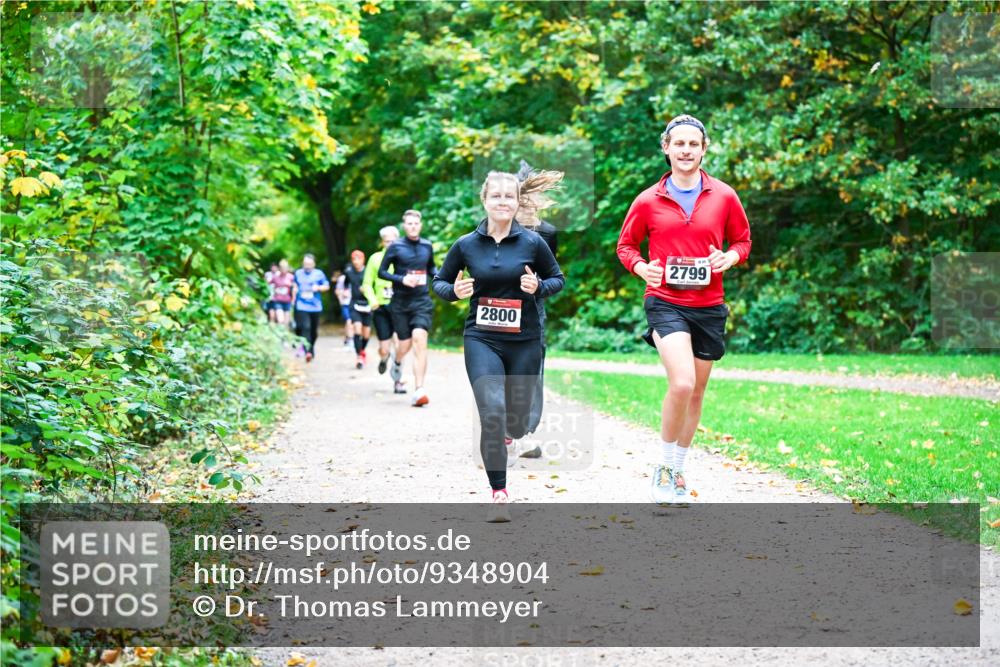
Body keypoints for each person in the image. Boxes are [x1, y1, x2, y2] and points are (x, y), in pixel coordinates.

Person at [616, 114, 752, 506]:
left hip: (708, 305)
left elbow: (742, 241)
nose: (686, 150)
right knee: (682, 383)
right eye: (679, 143)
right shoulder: (648, 200)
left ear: (704, 149)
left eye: (694, 144)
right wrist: (642, 268)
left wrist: (728, 258)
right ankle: (662, 467)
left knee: (696, 392)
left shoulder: (724, 196)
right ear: (667, 148)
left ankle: (677, 470)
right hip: (665, 301)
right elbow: (626, 246)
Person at [433, 171, 564, 522]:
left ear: (518, 202)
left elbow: (557, 279)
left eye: (510, 196)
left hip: (525, 340)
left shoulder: (534, 243)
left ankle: (513, 433)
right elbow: (439, 282)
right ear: (485, 200)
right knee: (491, 412)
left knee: (517, 423)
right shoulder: (466, 245)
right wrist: (453, 291)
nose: (503, 201)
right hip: (482, 338)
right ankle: (499, 493)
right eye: (497, 196)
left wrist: (538, 286)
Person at [512, 160, 563, 460]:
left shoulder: (548, 232)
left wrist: (538, 286)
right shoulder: (497, 229)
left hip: (533, 310)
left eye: (533, 196)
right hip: (498, 309)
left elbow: (552, 277)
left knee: (533, 370)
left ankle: (527, 432)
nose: (529, 203)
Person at [378, 210, 436, 407]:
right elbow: (382, 272)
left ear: (420, 225)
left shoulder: (427, 246)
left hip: (421, 301)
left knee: (420, 338)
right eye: (409, 223)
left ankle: (419, 390)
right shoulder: (395, 246)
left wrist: (442, 278)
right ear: (404, 226)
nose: (413, 226)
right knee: (405, 344)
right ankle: (397, 361)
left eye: (416, 223)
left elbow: (431, 269)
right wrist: (402, 279)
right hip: (400, 303)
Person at [362, 225, 406, 392]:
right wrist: (373, 301)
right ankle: (384, 358)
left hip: (400, 306)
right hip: (381, 307)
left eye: (393, 241)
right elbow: (367, 284)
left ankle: (398, 380)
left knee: (400, 344)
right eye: (387, 241)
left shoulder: (404, 257)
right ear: (382, 242)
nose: (390, 244)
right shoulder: (375, 259)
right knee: (384, 348)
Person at [292, 253, 331, 363]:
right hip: (302, 305)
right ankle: (307, 351)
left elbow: (327, 286)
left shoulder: (319, 274)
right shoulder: (298, 273)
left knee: (314, 331)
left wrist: (318, 287)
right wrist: (294, 294)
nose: (307, 266)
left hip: (315, 306)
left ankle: (311, 348)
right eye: (305, 264)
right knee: (306, 327)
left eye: (309, 264)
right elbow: (294, 285)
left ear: (314, 264)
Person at [344, 250, 371, 369]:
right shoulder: (349, 272)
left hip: (367, 304)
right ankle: (359, 356)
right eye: (354, 259)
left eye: (358, 259)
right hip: (354, 304)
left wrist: (367, 290)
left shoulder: (369, 272)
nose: (356, 262)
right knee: (357, 329)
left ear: (363, 260)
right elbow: (346, 283)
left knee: (366, 334)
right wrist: (345, 290)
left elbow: (375, 285)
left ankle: (362, 350)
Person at [269, 259, 295, 327]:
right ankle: (280, 330)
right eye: (282, 268)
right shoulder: (275, 276)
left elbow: (295, 288)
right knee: (281, 320)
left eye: (285, 268)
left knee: (286, 323)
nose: (284, 269)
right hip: (278, 301)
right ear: (279, 268)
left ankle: (285, 333)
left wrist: (293, 299)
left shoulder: (291, 277)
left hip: (287, 301)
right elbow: (268, 284)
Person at [334, 270, 353, 347]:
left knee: (351, 322)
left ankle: (347, 337)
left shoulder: (358, 276)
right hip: (345, 304)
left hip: (355, 303)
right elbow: (337, 291)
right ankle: (350, 339)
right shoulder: (342, 279)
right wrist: (341, 298)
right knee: (349, 321)